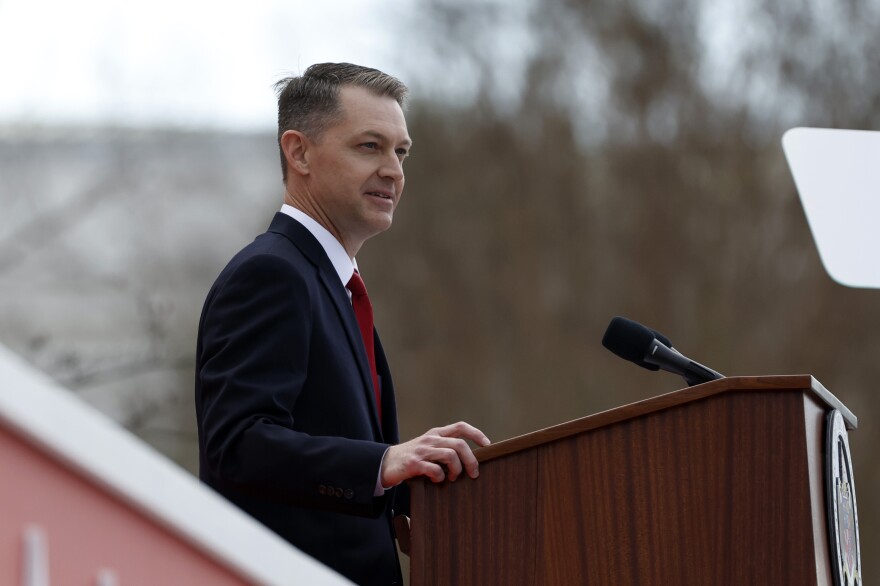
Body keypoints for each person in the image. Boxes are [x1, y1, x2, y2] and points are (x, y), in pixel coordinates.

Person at [194, 62, 490, 586]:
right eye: (369, 146)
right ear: (299, 151)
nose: (394, 170)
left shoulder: (329, 281)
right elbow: (238, 445)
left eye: (401, 152)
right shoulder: (272, 273)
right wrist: (383, 463)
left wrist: (408, 486)